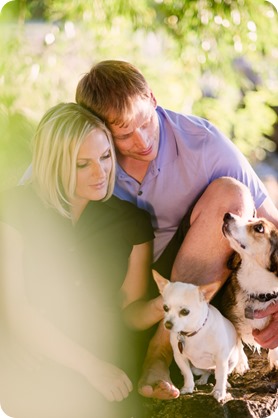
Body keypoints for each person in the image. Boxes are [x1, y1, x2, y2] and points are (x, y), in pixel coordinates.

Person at [75, 60, 278, 400]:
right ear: (99, 129)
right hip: (121, 280)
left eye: (145, 123)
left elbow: (268, 222)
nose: (141, 141)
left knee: (233, 195)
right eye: (123, 134)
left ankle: (160, 354)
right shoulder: (87, 153)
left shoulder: (203, 143)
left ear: (152, 97)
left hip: (197, 274)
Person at [0, 103, 164, 418]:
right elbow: (16, 307)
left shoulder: (132, 222)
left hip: (109, 370)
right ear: (53, 163)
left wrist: (162, 308)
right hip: (34, 365)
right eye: (82, 164)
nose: (101, 173)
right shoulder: (14, 209)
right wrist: (91, 367)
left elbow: (126, 313)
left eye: (105, 157)